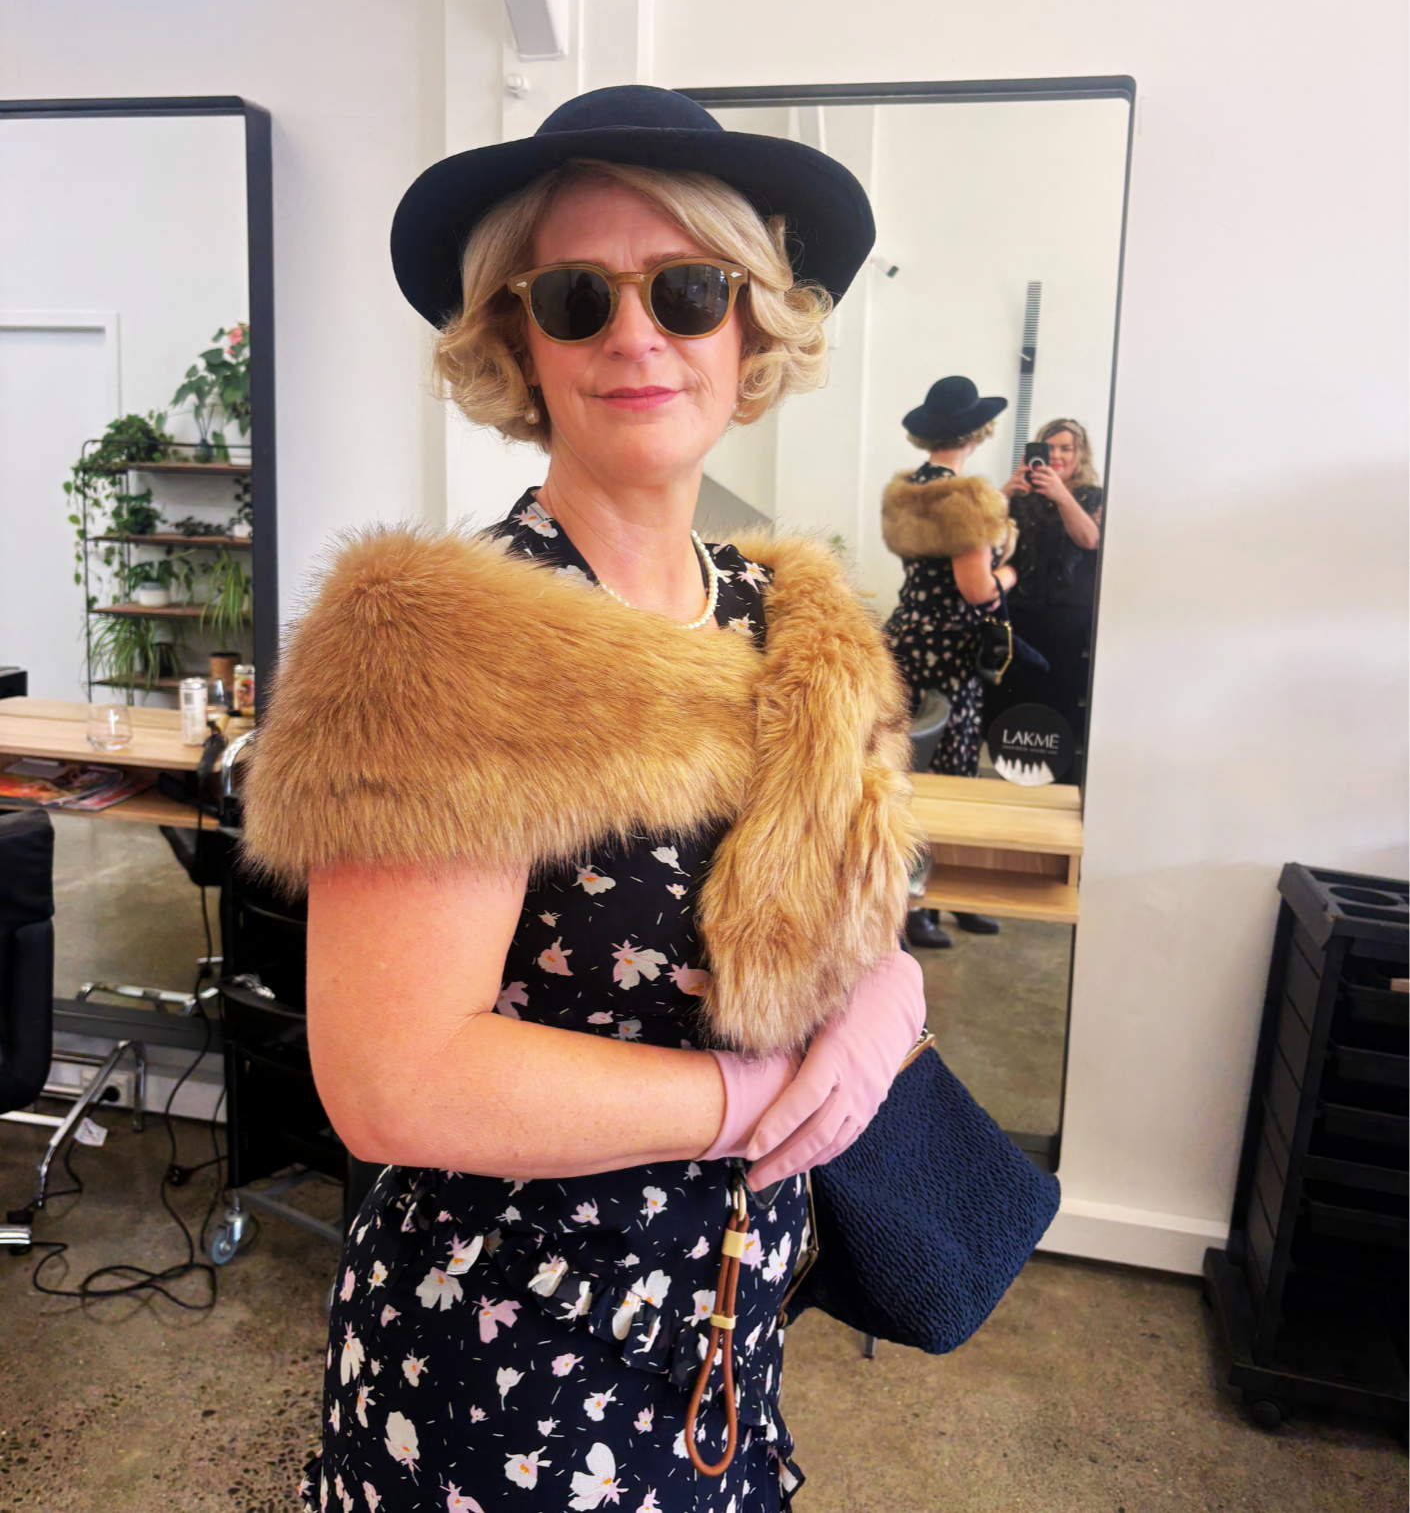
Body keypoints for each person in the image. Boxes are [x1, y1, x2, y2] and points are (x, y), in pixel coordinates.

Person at [241, 85, 927, 1513]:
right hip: (503, 1384)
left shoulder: (793, 619)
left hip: (726, 1335)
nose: (638, 331)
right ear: (515, 338)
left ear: (749, 330)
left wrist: (885, 991)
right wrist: (747, 1095)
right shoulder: (439, 640)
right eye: (575, 294)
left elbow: (840, 892)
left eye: (689, 287)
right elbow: (393, 1078)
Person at [881, 376, 1017, 943]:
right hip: (950, 653)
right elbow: (976, 589)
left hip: (906, 640)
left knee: (908, 773)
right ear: (977, 430)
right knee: (952, 775)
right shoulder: (968, 498)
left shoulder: (908, 490)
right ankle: (932, 906)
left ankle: (915, 900)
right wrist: (1009, 574)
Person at [996, 417, 1104, 783]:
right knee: (1015, 702)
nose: (1056, 455)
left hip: (1068, 623)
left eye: (1066, 448)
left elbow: (1090, 540)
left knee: (1060, 702)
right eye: (1049, 447)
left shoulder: (1091, 496)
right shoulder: (1021, 497)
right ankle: (1014, 778)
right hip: (1020, 617)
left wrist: (1061, 495)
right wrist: (1005, 494)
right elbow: (983, 538)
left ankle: (1056, 784)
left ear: (1079, 454)